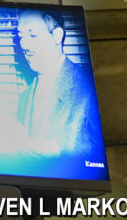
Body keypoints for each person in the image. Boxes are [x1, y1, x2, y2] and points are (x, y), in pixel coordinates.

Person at [15, 10, 103, 156]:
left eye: (33, 35)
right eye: (20, 36)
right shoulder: (24, 98)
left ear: (57, 35)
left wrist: (57, 149)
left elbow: (102, 149)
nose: (24, 44)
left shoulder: (90, 85)